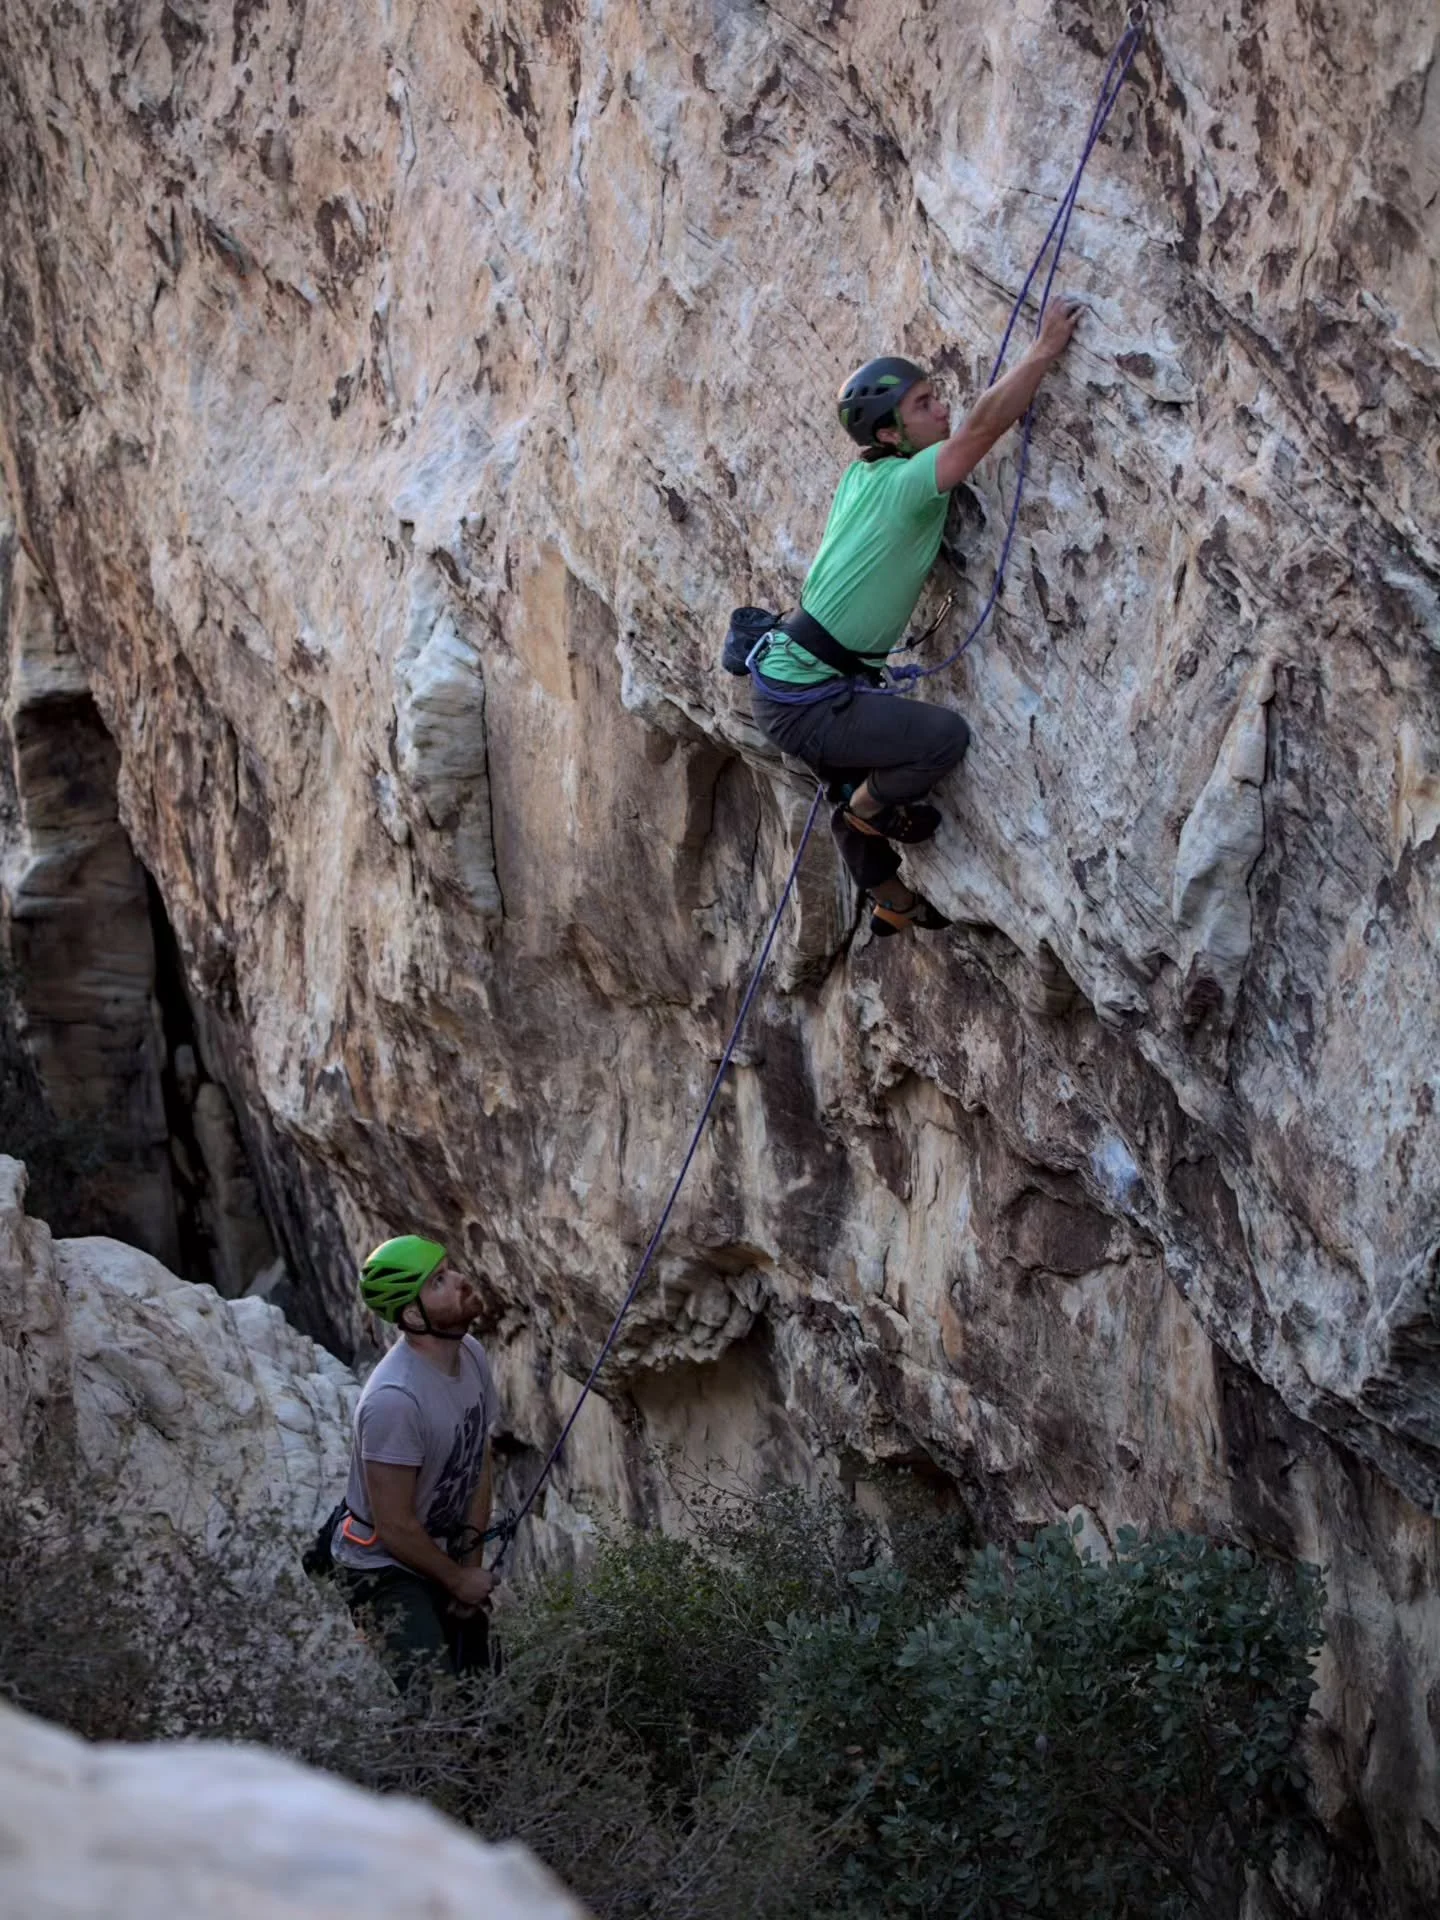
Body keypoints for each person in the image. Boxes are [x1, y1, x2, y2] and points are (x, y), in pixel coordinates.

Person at [749, 299, 1085, 935]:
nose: (942, 409)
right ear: (887, 436)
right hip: (809, 698)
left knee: (849, 782)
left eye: (936, 396)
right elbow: (980, 434)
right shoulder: (906, 487)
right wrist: (1042, 352)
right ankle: (869, 814)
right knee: (940, 739)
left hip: (797, 680)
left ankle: (892, 901)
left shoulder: (864, 476)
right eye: (923, 404)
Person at [330, 1233, 501, 1692]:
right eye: (440, 1281)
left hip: (439, 1547)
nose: (461, 1281)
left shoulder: (471, 1355)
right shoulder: (394, 1400)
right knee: (436, 1698)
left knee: (485, 1687)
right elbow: (395, 1525)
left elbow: (477, 1461)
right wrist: (456, 1579)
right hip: (380, 1567)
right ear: (412, 1314)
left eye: (450, 1269)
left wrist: (468, 1562)